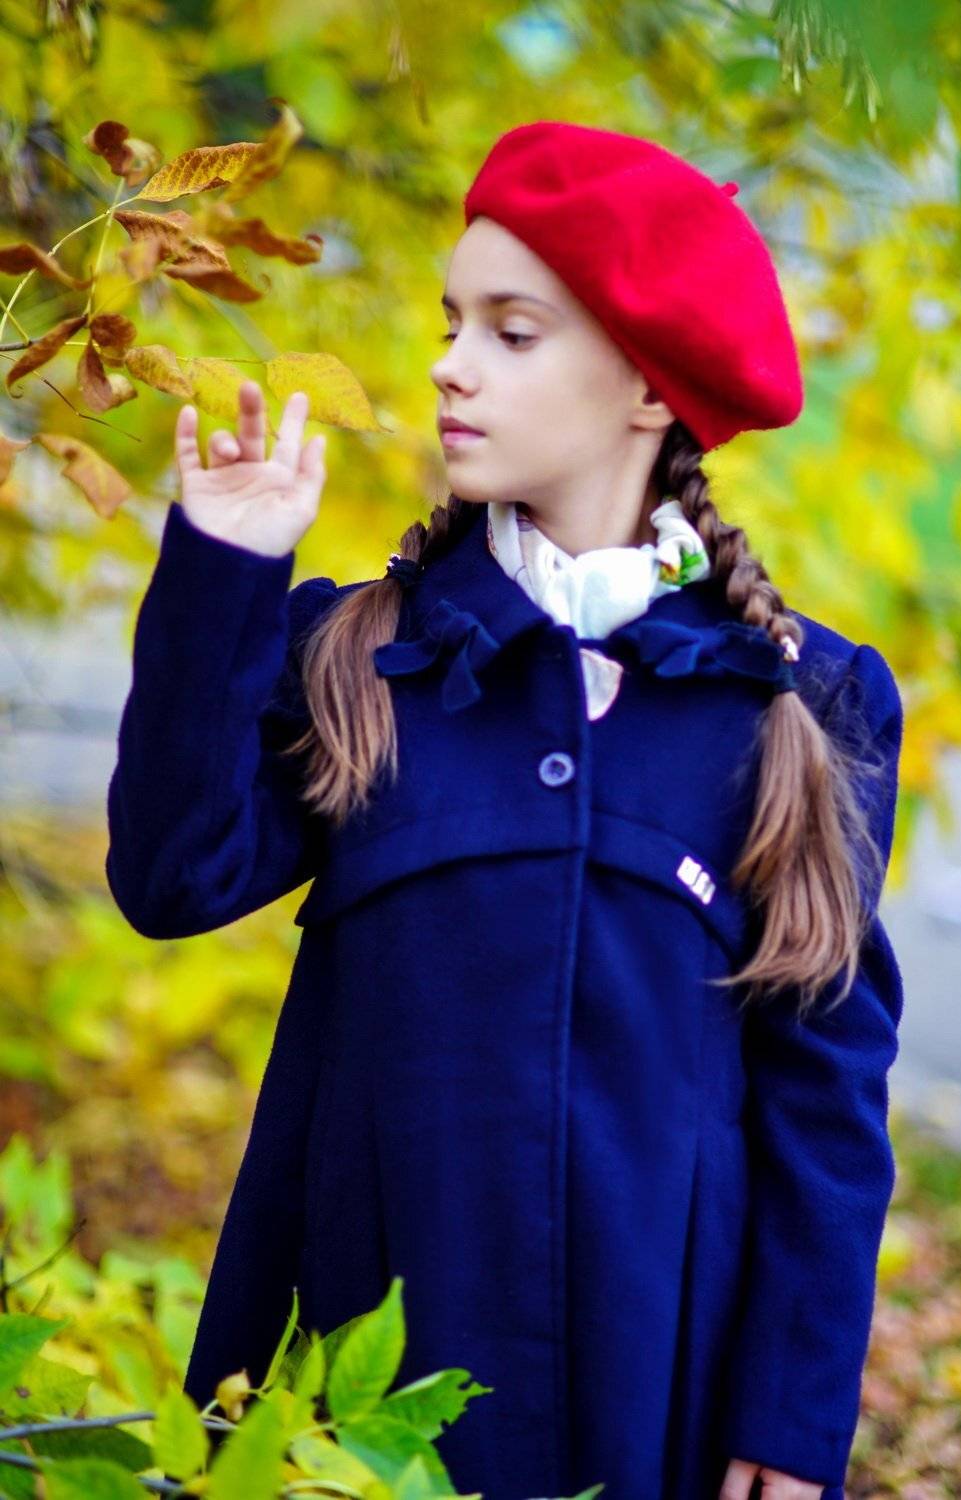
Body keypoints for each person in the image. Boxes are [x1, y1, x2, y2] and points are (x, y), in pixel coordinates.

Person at [105, 121, 905, 1500]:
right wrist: (222, 574)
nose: (448, 365)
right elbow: (173, 877)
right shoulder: (360, 655)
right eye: (450, 321)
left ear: (646, 388)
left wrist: (790, 1414)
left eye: (511, 332)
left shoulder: (798, 704)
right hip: (351, 1374)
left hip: (656, 1387)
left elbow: (824, 1085)